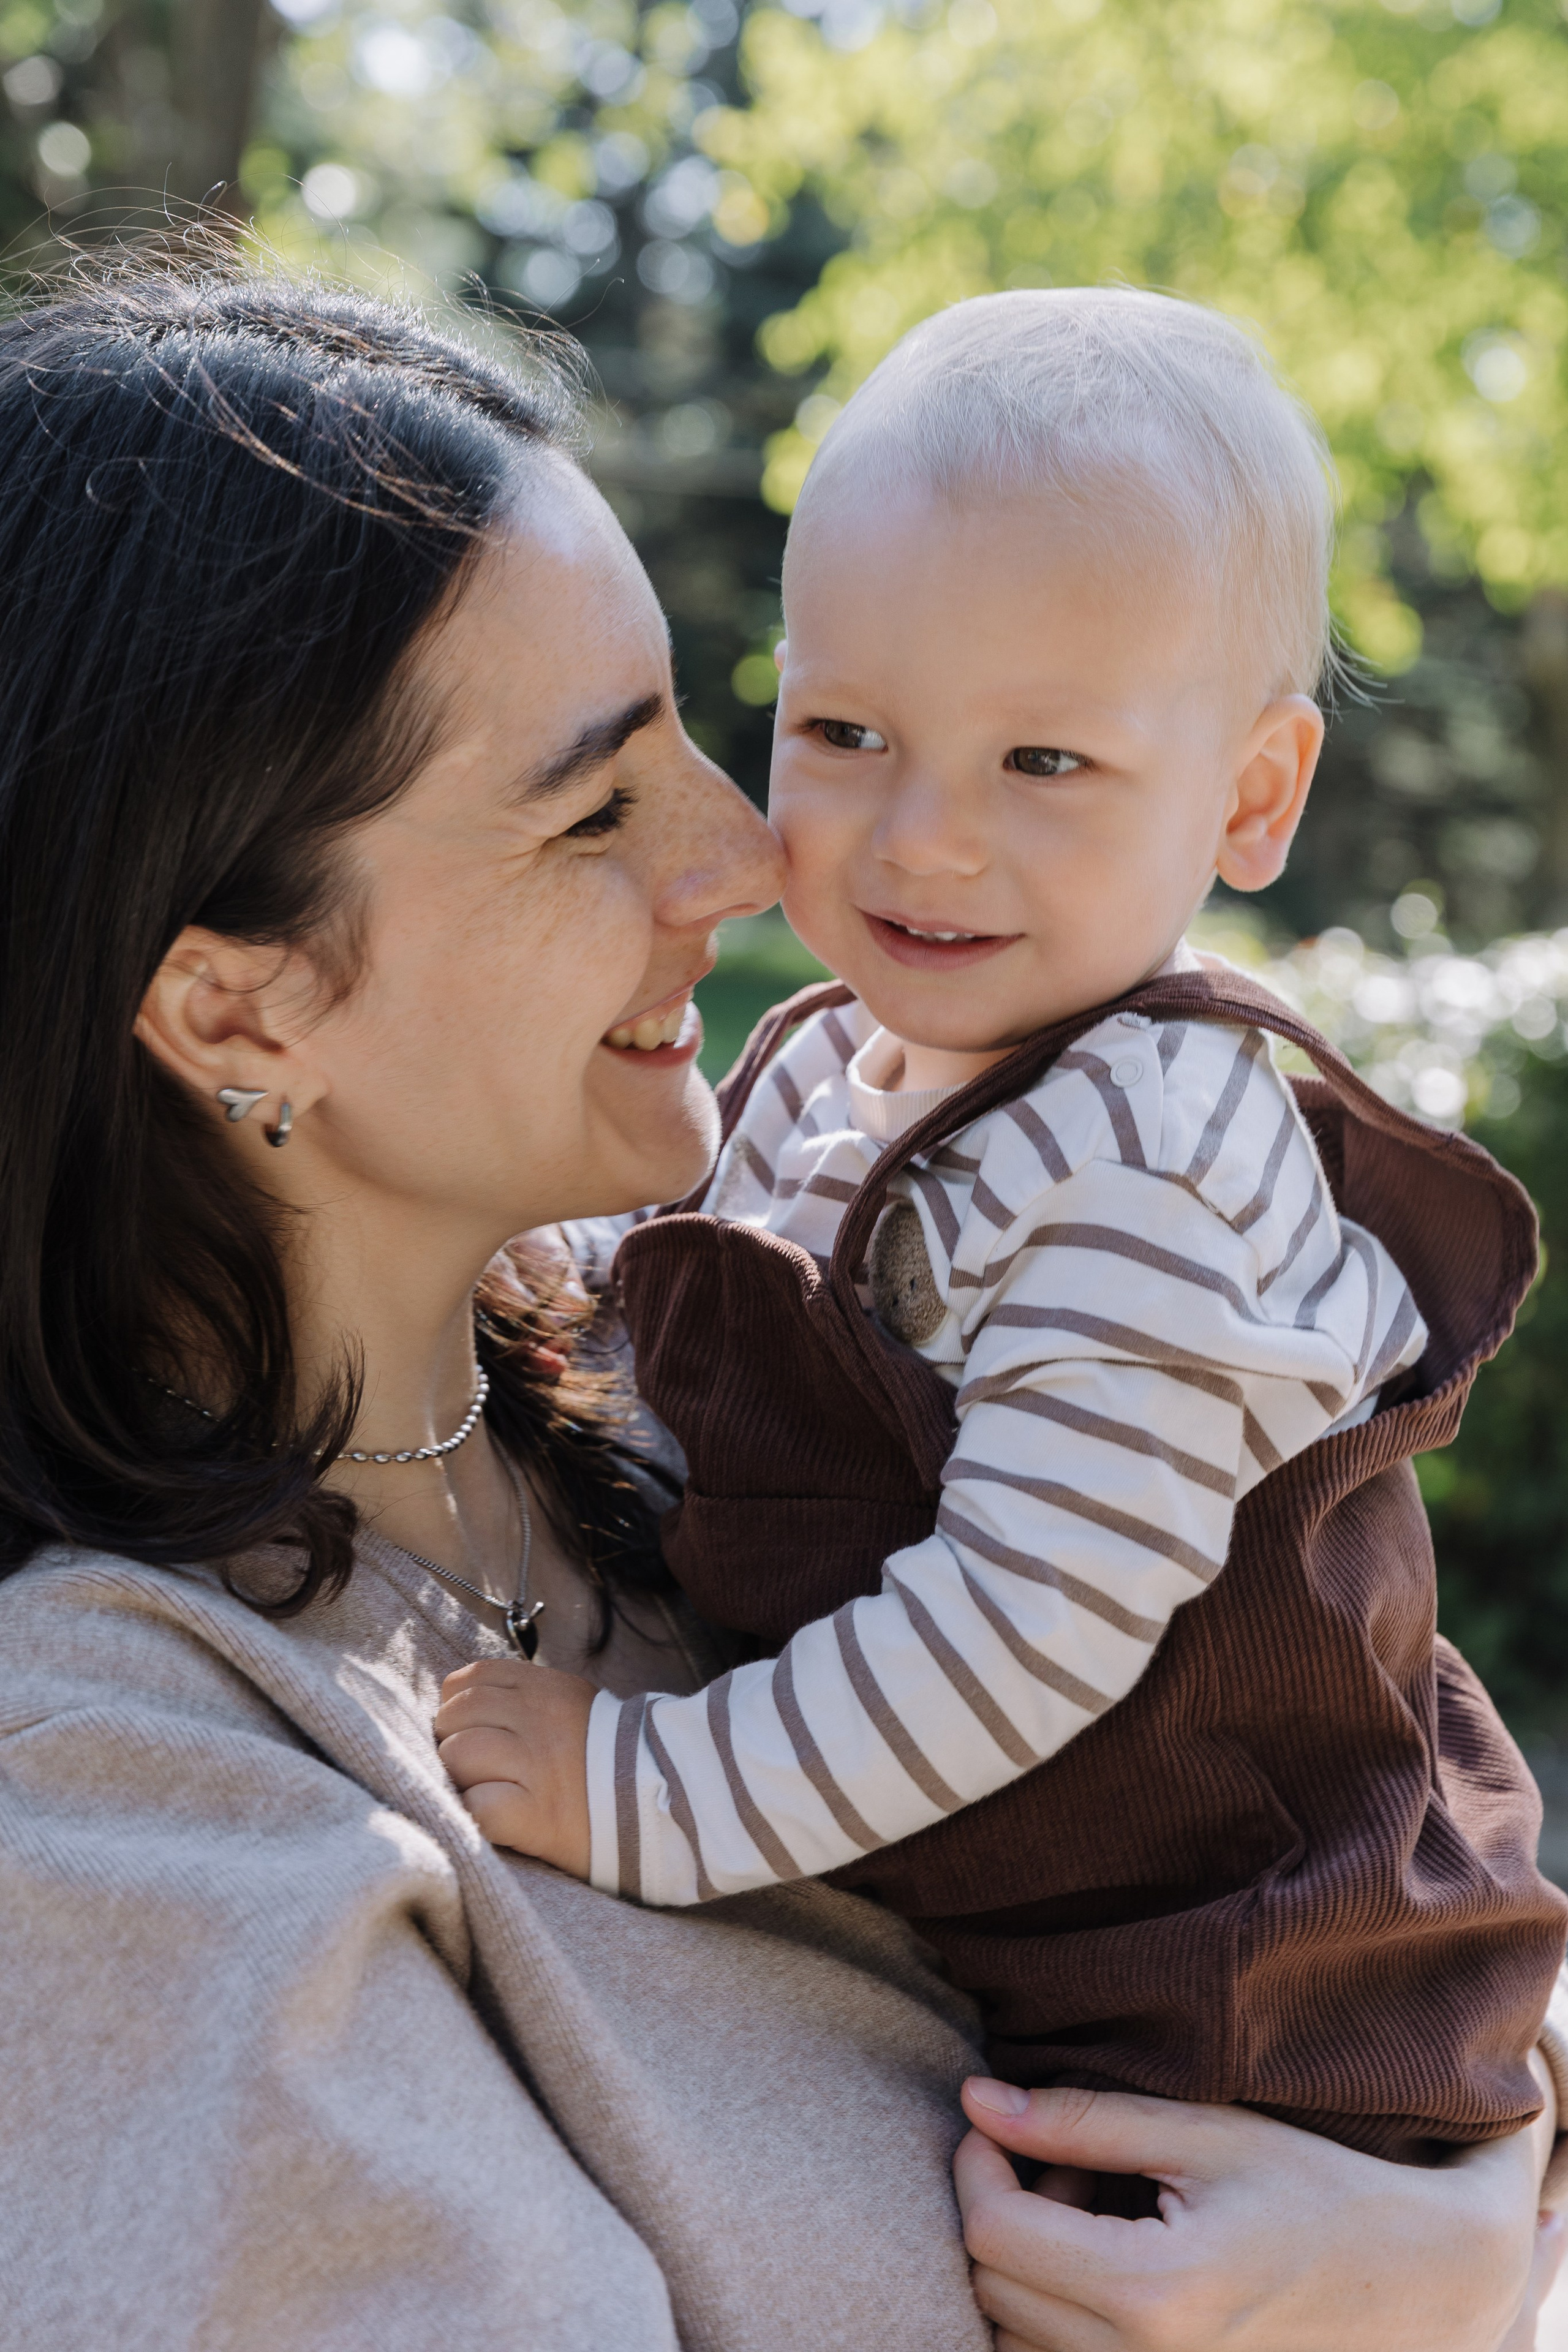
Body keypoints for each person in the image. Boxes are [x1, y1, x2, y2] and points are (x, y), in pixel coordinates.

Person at [0, 256, 1560, 2352]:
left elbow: (1330, 1802)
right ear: (236, 1001)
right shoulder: (121, 1786)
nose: (761, 854)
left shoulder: (662, 1382)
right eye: (598, 801)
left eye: (696, 738)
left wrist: (1460, 2249)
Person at [433, 290, 1566, 2166]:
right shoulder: (826, 1065)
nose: (923, 838)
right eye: (850, 730)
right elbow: (673, 1345)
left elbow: (1023, 1625)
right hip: (1026, 1947)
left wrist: (643, 1786)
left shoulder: (1150, 1165)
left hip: (1244, 2008)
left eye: (1045, 764)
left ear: (1255, 795)